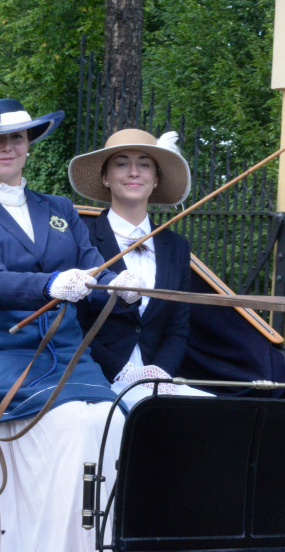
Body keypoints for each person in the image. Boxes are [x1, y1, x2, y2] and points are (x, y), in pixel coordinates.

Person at [0, 98, 144, 552]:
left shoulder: (60, 209)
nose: (5, 148)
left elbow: (93, 267)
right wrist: (50, 283)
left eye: (15, 137)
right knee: (75, 425)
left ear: (29, 144)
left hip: (69, 356)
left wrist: (119, 284)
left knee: (113, 422)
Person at [69, 129, 195, 389]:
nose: (134, 172)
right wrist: (122, 373)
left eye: (145, 164)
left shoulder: (176, 247)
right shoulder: (81, 238)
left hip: (160, 380)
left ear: (156, 178)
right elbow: (73, 324)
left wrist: (158, 376)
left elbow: (177, 327)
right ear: (105, 177)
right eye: (122, 163)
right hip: (96, 379)